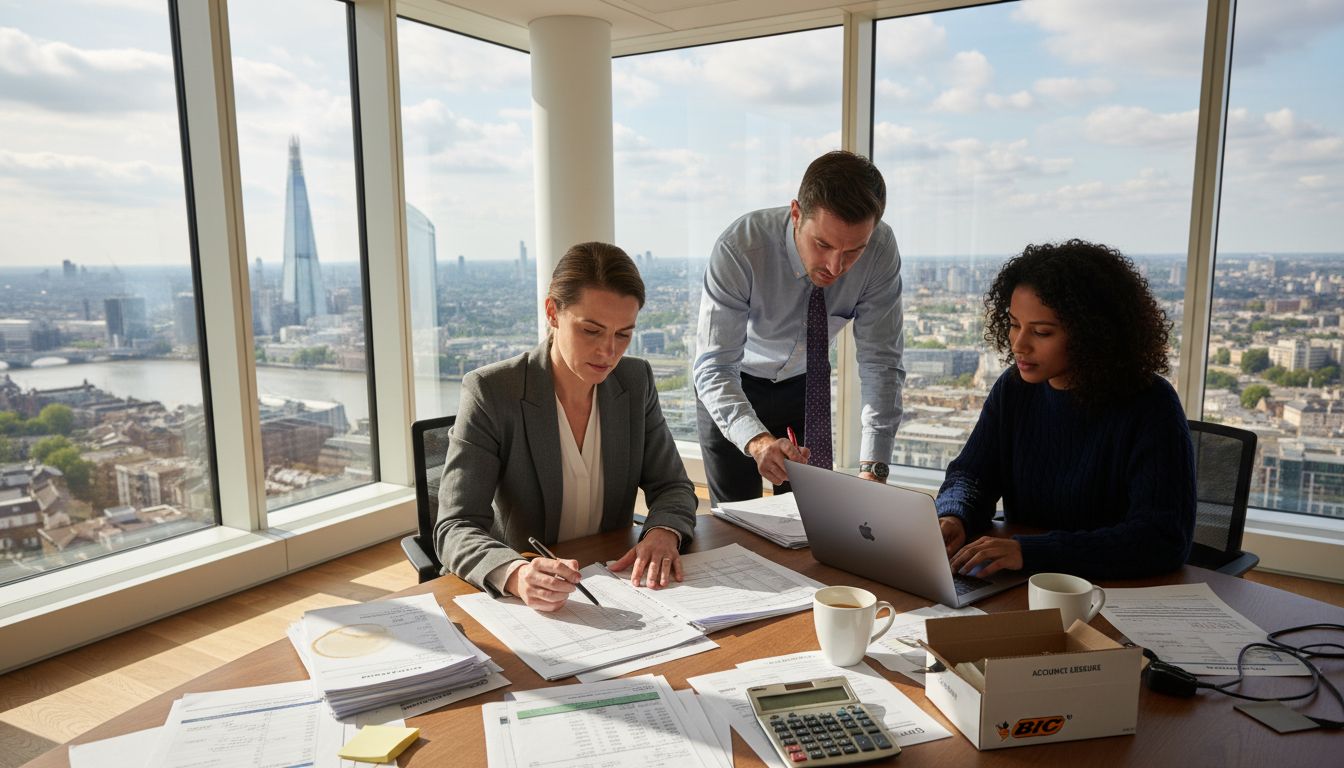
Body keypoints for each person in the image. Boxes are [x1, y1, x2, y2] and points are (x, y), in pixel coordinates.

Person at [435, 242, 697, 611]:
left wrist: (663, 532)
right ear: (552, 313)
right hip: (527, 598)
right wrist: (515, 573)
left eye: (623, 334)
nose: (608, 352)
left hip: (615, 582)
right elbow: (455, 526)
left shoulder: (635, 381)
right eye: (591, 330)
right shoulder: (491, 391)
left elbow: (672, 486)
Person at [936, 239, 1195, 580]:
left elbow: (1161, 538)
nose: (1019, 345)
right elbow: (971, 476)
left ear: (1092, 334)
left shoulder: (1150, 405)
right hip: (1027, 582)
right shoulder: (1014, 389)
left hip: (1111, 591)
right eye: (1014, 324)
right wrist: (954, 515)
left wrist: (1030, 552)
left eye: (1042, 332)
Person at [693, 150, 905, 503]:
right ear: (796, 214)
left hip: (806, 388)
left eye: (853, 251)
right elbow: (715, 367)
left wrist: (874, 467)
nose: (835, 266)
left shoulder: (880, 250)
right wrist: (757, 440)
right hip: (734, 384)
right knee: (735, 517)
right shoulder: (740, 247)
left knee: (812, 514)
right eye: (822, 244)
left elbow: (881, 363)